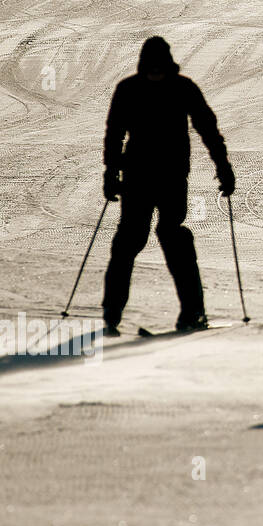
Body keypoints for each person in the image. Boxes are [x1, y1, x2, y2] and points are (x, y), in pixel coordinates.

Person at [102, 37, 235, 334]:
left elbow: (207, 127)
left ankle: (193, 312)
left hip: (172, 177)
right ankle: (111, 314)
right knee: (130, 239)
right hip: (137, 176)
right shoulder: (129, 89)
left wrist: (223, 166)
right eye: (151, 70)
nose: (156, 74)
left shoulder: (183, 87)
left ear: (168, 66)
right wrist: (110, 171)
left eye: (159, 69)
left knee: (172, 235)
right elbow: (115, 132)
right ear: (143, 66)